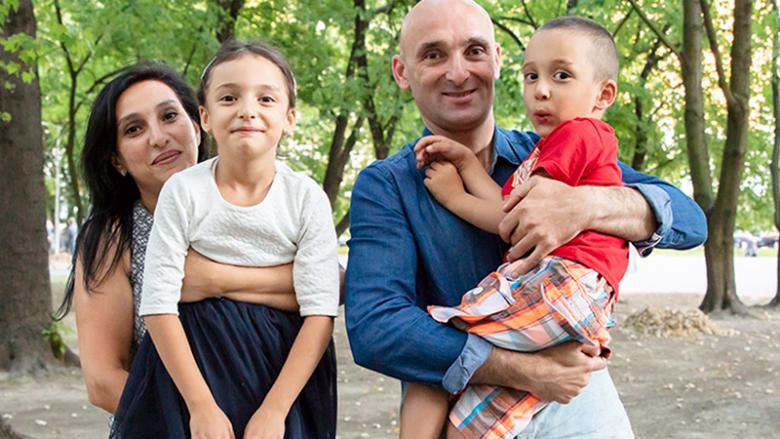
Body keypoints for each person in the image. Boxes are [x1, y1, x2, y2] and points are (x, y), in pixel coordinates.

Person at [344, 0, 707, 438]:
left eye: (474, 51)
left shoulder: (552, 150)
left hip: (580, 405)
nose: (458, 72)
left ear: (497, 62)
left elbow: (689, 221)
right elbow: (376, 327)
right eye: (434, 54)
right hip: (467, 399)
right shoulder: (387, 185)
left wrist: (588, 206)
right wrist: (527, 371)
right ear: (402, 72)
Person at [401, 16, 630, 439]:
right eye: (532, 76)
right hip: (570, 301)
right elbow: (509, 203)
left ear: (603, 94)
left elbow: (514, 221)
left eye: (561, 76)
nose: (541, 89)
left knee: (435, 351)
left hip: (561, 286)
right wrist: (469, 164)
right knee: (475, 414)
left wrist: (454, 196)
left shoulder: (579, 134)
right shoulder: (548, 150)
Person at [111, 40, 339, 439]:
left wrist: (275, 410)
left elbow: (320, 310)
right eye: (229, 97)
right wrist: (201, 408)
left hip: (282, 373)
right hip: (191, 370)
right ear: (205, 116)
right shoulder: (183, 192)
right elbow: (158, 302)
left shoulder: (305, 199)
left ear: (289, 118)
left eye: (265, 98)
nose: (247, 109)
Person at [54, 63, 302, 423]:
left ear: (199, 125)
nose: (158, 137)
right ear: (117, 159)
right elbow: (103, 382)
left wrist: (212, 280)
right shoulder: (114, 237)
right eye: (134, 129)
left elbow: (331, 286)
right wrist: (197, 422)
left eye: (170, 116)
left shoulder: (268, 198)